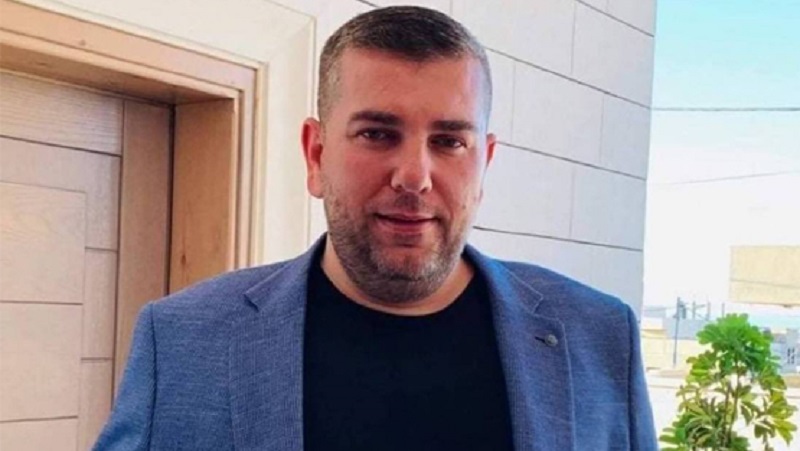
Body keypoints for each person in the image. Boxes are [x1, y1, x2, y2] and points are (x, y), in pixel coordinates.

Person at [94, 6, 656, 451]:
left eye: (449, 141)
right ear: (316, 155)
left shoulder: (600, 339)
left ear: (484, 163)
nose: (414, 176)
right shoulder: (184, 342)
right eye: (377, 134)